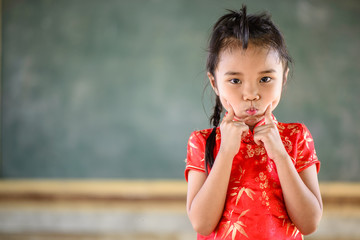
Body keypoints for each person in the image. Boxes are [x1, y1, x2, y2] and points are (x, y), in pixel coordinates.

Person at [184, 5, 322, 240]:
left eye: (265, 79)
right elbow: (202, 223)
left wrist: (279, 153)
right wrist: (226, 152)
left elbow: (309, 223)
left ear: (284, 78)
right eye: (235, 80)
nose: (251, 93)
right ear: (215, 83)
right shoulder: (203, 142)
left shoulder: (296, 137)